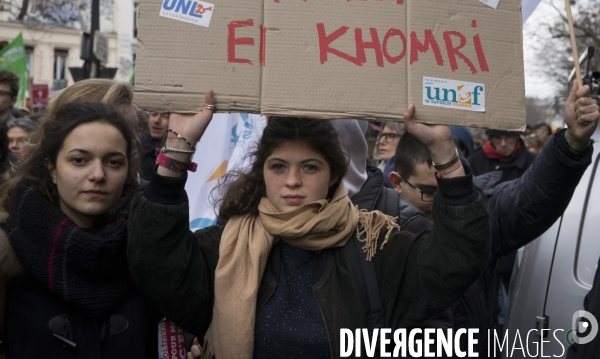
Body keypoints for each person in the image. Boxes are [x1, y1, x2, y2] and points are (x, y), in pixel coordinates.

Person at [128, 92, 491, 359]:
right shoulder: (226, 246)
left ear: (334, 175)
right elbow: (157, 263)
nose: (292, 181)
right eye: (279, 166)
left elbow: (457, 260)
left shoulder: (376, 246)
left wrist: (444, 151)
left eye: (309, 167)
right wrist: (176, 150)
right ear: (262, 174)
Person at [388, 82, 600, 356]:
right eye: (427, 192)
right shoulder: (375, 232)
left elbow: (530, 199)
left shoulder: (479, 214)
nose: (443, 201)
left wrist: (573, 141)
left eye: (450, 188)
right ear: (396, 182)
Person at [0, 102, 161, 358]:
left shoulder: (152, 256)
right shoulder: (9, 256)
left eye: (113, 162)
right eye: (79, 160)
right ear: (52, 168)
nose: (97, 174)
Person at [467, 128, 535, 182]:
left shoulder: (532, 162)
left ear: (516, 138)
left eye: (508, 137)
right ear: (492, 139)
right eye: (498, 138)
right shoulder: (475, 160)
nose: (503, 144)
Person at [139, 111, 169, 181]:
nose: (156, 120)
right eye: (153, 114)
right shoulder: (136, 149)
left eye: (166, 116)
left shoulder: (180, 154)